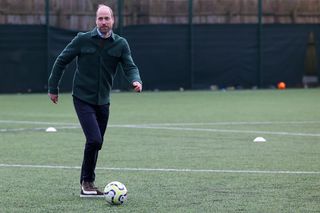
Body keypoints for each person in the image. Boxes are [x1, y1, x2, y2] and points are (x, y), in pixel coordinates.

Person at [48, 4, 142, 198]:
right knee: (94, 139)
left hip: (103, 101)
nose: (104, 22)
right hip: (82, 98)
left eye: (107, 18)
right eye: (100, 19)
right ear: (95, 21)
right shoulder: (82, 39)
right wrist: (53, 88)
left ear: (113, 20)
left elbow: (129, 66)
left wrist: (136, 80)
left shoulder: (121, 44)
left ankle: (88, 182)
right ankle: (87, 182)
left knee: (97, 143)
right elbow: (61, 61)